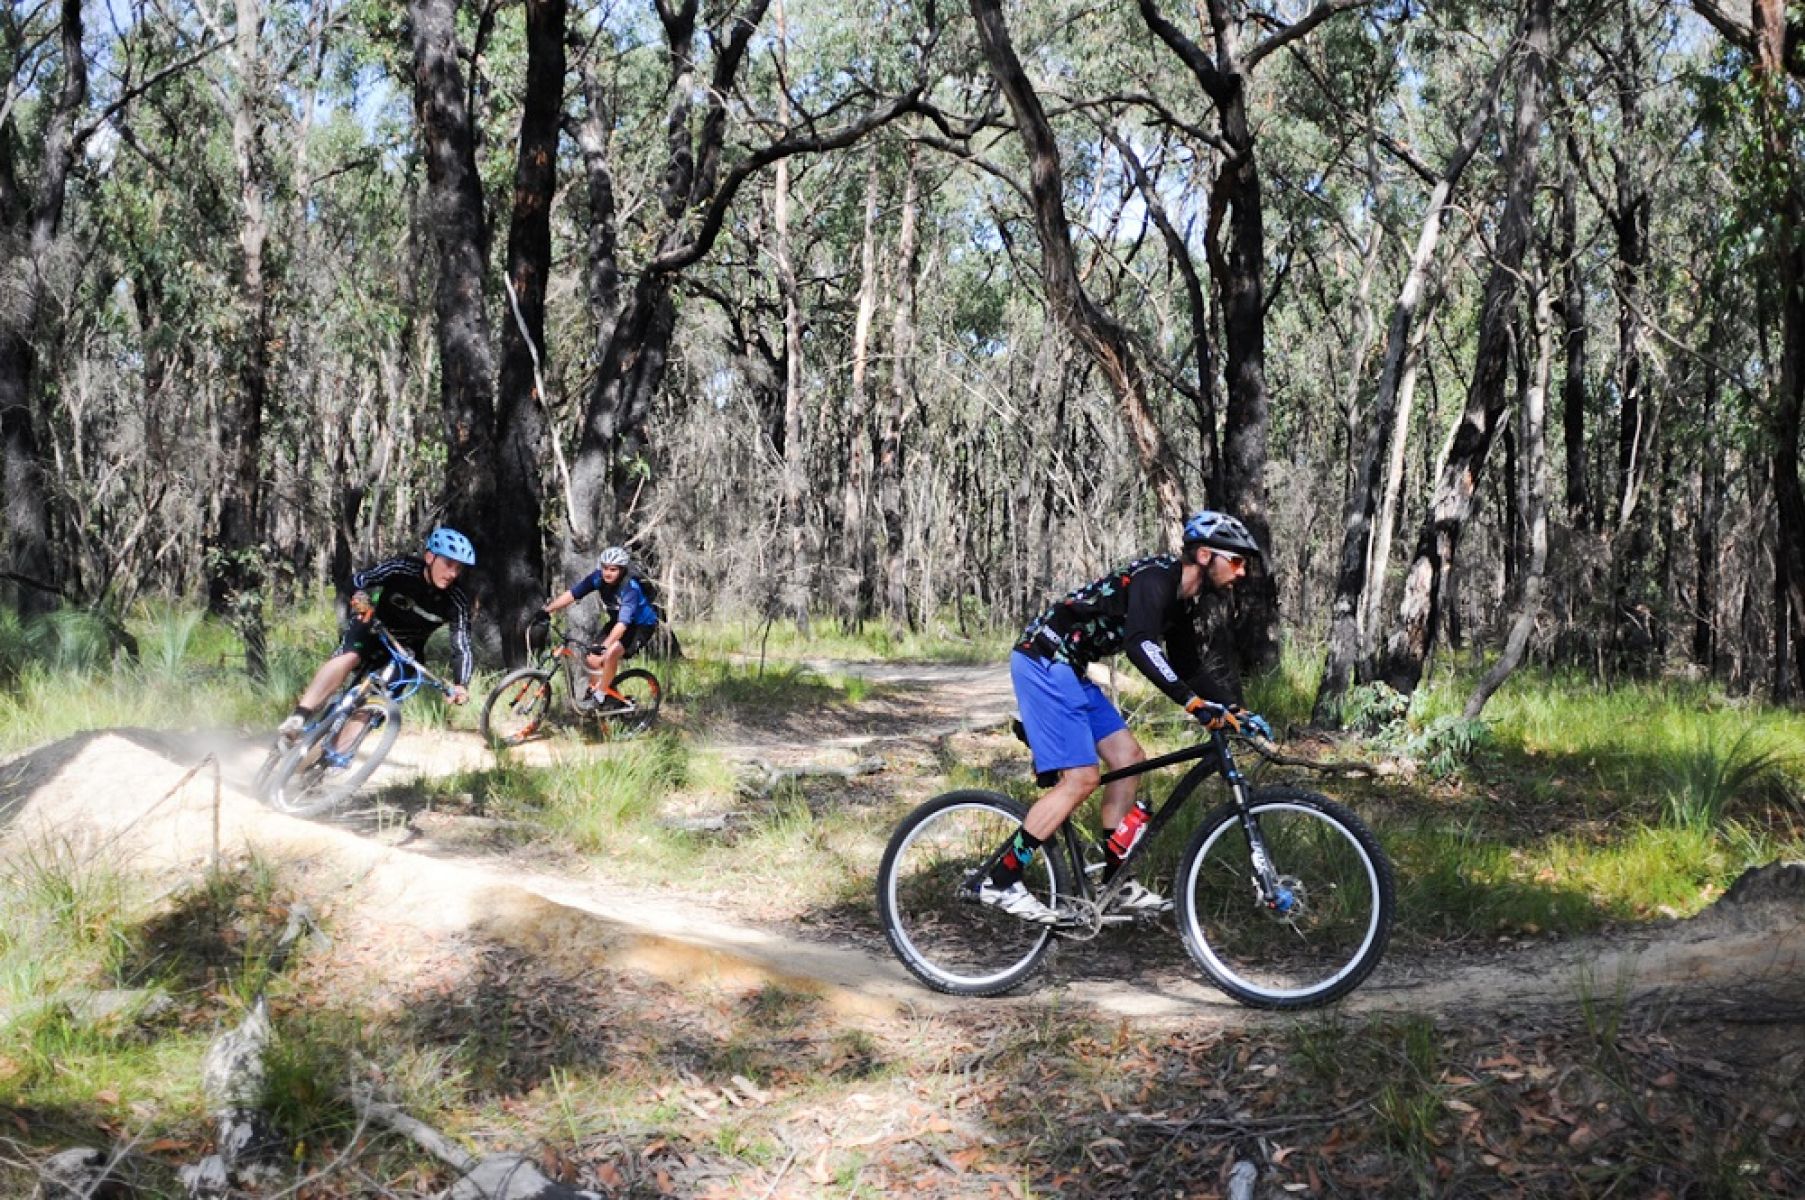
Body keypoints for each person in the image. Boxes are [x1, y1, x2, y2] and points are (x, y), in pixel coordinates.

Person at [976, 510, 1273, 924]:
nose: (1241, 573)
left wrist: (1237, 710)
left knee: (1129, 759)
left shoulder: (1182, 603)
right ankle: (1001, 879)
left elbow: (1190, 668)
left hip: (1070, 668)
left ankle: (1114, 886)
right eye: (1237, 561)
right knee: (1081, 778)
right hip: (1043, 660)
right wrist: (1192, 704)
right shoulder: (1157, 580)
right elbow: (1140, 645)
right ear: (1205, 555)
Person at [277, 527, 476, 755]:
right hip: (373, 627)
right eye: (448, 564)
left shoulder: (457, 601)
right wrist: (359, 596)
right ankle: (299, 717)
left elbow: (462, 645)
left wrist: (462, 683)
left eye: (458, 568)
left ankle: (327, 760)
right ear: (430, 557)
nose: (452, 573)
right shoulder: (402, 568)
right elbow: (360, 579)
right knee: (349, 657)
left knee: (375, 702)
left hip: (406, 651)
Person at [536, 546, 661, 710]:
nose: (607, 573)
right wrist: (548, 610)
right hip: (618, 622)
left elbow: (623, 625)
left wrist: (605, 645)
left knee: (610, 653)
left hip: (641, 626)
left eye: (613, 569)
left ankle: (601, 695)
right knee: (592, 659)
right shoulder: (598, 578)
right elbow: (573, 594)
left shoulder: (630, 588)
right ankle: (604, 698)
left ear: (622, 570)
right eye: (604, 568)